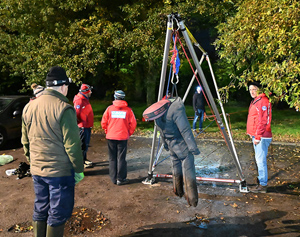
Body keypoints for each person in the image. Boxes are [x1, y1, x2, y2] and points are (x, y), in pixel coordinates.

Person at [21, 66, 84, 237]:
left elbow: (25, 141)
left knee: (41, 208)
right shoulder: (64, 108)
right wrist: (78, 169)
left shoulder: (29, 107)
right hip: (59, 173)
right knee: (58, 213)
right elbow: (73, 146)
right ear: (63, 86)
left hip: (37, 171)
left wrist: (32, 161)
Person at [143, 97, 200, 207]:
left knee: (175, 166)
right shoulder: (176, 109)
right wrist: (193, 147)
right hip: (181, 144)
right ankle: (192, 199)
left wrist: (165, 144)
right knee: (188, 169)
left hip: (171, 144)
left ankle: (177, 190)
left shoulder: (157, 116)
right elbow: (185, 130)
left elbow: (161, 131)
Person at [101, 90, 137, 185]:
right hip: (122, 137)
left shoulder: (109, 109)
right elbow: (133, 124)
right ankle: (121, 179)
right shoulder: (128, 110)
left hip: (111, 136)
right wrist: (128, 133)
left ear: (115, 97)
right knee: (121, 158)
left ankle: (113, 179)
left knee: (112, 158)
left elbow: (103, 122)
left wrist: (107, 131)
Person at [247, 81, 272, 193]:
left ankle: (263, 185)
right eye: (250, 89)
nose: (252, 92)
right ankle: (262, 179)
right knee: (259, 159)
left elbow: (263, 121)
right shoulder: (256, 101)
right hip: (257, 135)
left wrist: (258, 136)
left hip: (262, 136)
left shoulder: (262, 101)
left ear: (259, 89)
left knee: (260, 160)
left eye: (254, 89)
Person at [73, 84, 94, 168]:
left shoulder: (84, 99)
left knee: (85, 144)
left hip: (86, 125)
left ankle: (84, 159)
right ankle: (81, 162)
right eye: (90, 91)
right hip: (83, 126)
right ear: (86, 92)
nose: (91, 92)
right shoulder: (80, 100)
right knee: (82, 145)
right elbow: (76, 114)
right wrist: (82, 123)